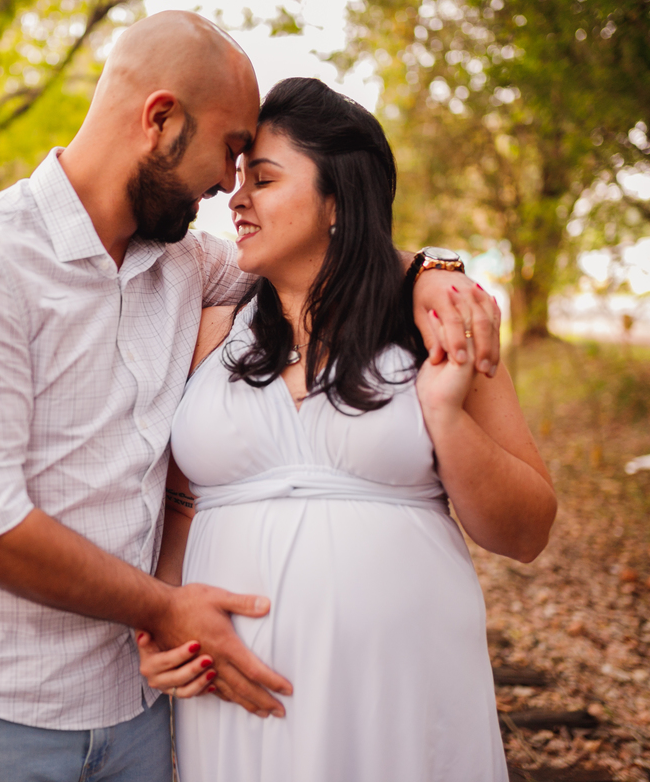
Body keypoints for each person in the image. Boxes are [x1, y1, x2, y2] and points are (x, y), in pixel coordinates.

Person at [0, 13, 503, 782]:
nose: (231, 183)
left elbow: (324, 254)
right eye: (233, 149)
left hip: (134, 711)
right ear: (161, 120)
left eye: (253, 167)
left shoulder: (183, 262)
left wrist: (431, 272)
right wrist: (164, 609)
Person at [136, 77, 557, 782]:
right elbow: (182, 507)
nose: (235, 198)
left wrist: (444, 415)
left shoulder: (437, 327)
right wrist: (164, 617)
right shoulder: (210, 331)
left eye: (263, 179)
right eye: (238, 179)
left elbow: (526, 533)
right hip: (241, 693)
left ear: (337, 200)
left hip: (405, 689)